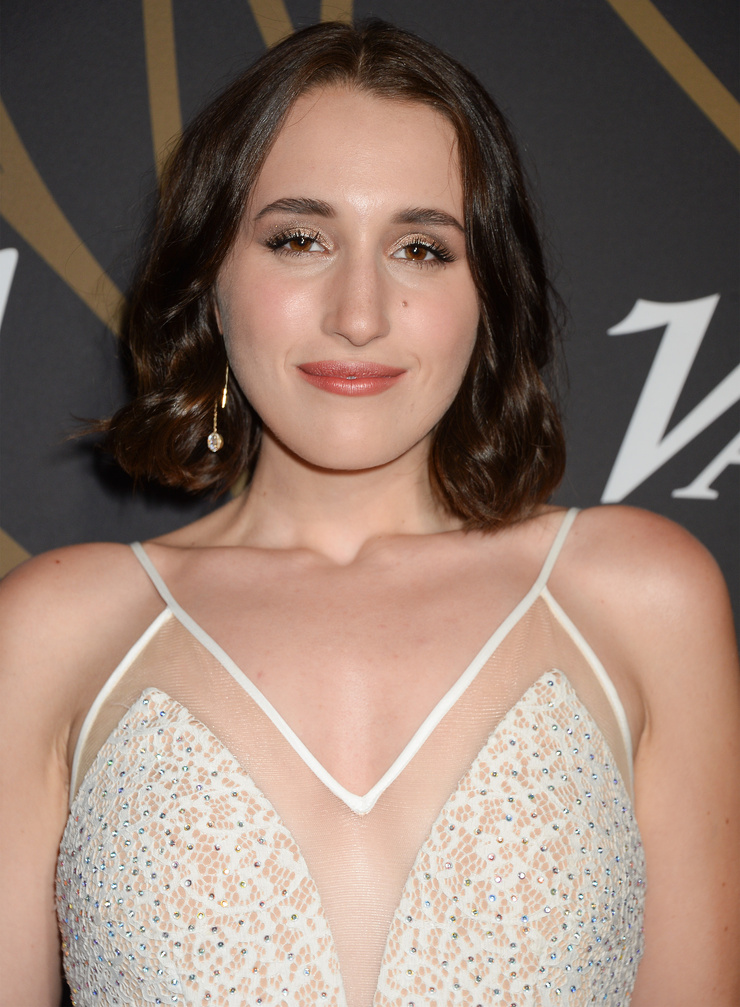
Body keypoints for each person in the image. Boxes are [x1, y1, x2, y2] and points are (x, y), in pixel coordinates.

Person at [1, 18, 738, 1007]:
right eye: (299, 239)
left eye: (421, 249)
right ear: (212, 278)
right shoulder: (57, 631)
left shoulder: (640, 599)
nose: (358, 313)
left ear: (488, 296)